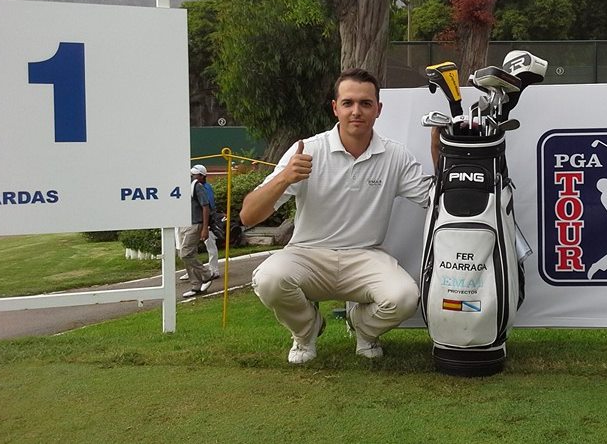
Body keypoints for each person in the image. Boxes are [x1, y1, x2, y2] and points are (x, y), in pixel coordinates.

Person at [241, 68, 435, 364]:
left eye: (365, 103)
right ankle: (307, 332)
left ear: (378, 109)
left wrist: (438, 153)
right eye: (348, 103)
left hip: (364, 256)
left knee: (404, 297)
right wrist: (285, 178)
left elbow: (434, 201)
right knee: (269, 279)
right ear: (335, 107)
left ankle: (363, 327)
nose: (356, 111)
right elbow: (248, 215)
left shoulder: (395, 156)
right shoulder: (307, 151)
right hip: (308, 255)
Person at [178, 166, 215, 298]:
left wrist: (205, 228)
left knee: (185, 254)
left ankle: (206, 274)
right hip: (184, 224)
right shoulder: (182, 186)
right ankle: (195, 286)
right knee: (189, 255)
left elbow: (205, 207)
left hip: (195, 224)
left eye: (197, 175)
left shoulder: (197, 186)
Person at [191, 164, 221, 277]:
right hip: (198, 221)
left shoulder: (205, 188)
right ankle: (194, 271)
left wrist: (206, 225)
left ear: (202, 176)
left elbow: (208, 206)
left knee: (211, 245)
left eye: (195, 175)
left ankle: (214, 270)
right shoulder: (196, 186)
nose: (193, 177)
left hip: (207, 221)